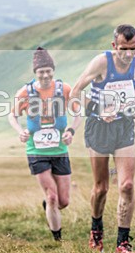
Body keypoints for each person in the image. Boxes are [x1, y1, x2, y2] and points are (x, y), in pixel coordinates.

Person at [70, 24, 135, 253]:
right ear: (114, 46)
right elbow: (74, 92)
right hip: (98, 128)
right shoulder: (101, 63)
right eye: (124, 49)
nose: (129, 54)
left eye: (133, 48)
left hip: (123, 127)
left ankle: (123, 242)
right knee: (101, 188)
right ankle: (96, 230)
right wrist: (99, 110)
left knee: (127, 185)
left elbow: (134, 87)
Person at [9, 47, 82, 241]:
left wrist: (71, 130)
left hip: (60, 150)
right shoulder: (26, 92)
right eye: (41, 71)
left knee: (64, 201)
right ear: (35, 73)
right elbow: (12, 115)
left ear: (53, 71)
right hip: (36, 150)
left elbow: (78, 112)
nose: (45, 75)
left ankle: (49, 206)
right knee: (52, 197)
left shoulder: (63, 89)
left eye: (48, 70)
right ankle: (57, 239)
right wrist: (20, 132)